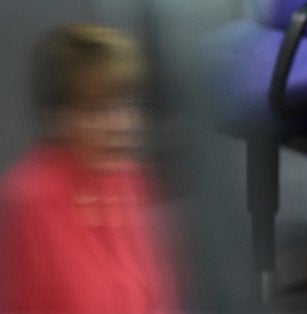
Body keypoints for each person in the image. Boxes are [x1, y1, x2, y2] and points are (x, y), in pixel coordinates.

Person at [0, 24, 179, 312]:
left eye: (127, 105)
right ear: (58, 117)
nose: (121, 124)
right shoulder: (28, 198)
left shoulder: (131, 180)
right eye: (98, 110)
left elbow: (157, 297)